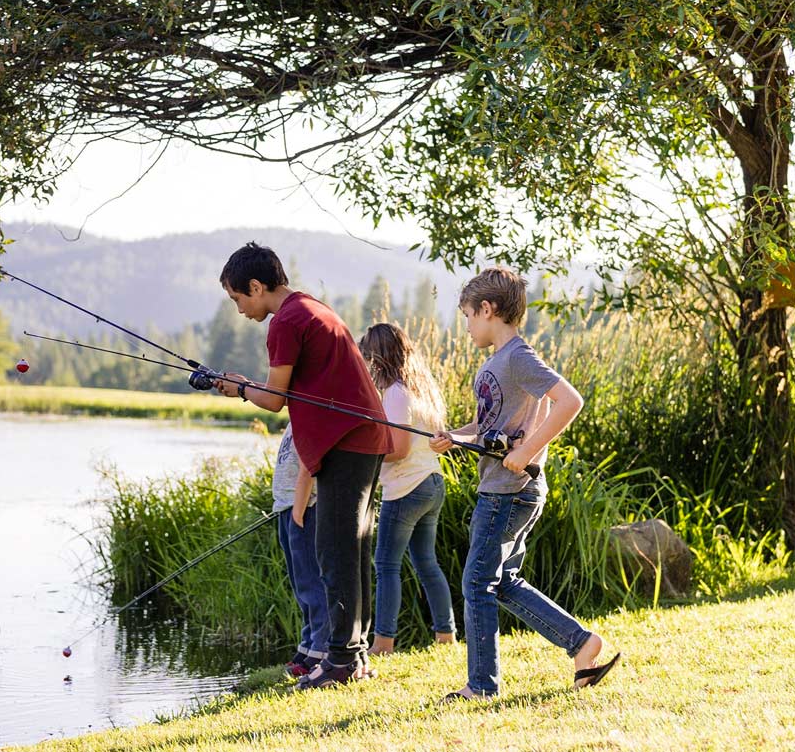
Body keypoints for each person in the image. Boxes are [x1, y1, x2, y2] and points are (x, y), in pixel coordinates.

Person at [430, 266, 620, 700]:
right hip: (504, 488)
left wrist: (526, 451)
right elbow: (489, 423)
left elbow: (570, 400)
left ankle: (481, 686)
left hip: (508, 491)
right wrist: (457, 438)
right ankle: (581, 643)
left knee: (477, 583)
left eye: (468, 317)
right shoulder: (496, 362)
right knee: (503, 581)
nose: (467, 326)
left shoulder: (517, 356)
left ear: (487, 309)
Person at [212, 241, 392, 688]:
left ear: (256, 286)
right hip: (363, 439)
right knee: (353, 548)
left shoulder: (286, 321)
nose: (239, 310)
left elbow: (273, 399)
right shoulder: (312, 307)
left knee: (335, 552)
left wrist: (239, 388)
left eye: (238, 299)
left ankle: (342, 661)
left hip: (346, 443)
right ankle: (355, 654)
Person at [358, 322, 456, 653]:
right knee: (426, 562)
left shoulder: (396, 393)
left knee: (386, 564)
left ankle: (383, 643)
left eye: (367, 358)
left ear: (378, 357)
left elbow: (397, 449)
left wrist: (362, 455)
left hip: (406, 488)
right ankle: (446, 636)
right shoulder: (422, 389)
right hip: (431, 482)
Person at [270, 423, 327, 677]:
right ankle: (308, 644)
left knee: (311, 582)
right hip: (286, 507)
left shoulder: (308, 414)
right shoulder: (294, 417)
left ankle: (320, 649)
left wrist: (298, 511)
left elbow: (309, 466)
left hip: (303, 508)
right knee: (299, 583)